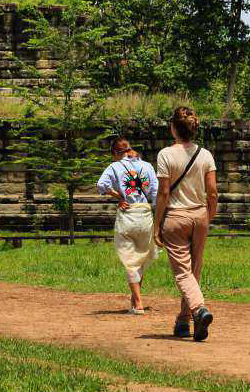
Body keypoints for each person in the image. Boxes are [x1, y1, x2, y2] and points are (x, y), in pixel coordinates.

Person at [152, 106, 216, 341]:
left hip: (176, 218)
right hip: (200, 216)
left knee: (182, 272)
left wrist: (156, 224)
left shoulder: (166, 155)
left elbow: (163, 193)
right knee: (193, 271)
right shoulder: (206, 155)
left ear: (173, 128)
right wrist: (209, 215)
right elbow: (212, 192)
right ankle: (183, 321)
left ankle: (199, 309)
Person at [96, 138, 160, 314]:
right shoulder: (147, 166)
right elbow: (156, 193)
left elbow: (101, 185)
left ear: (116, 153)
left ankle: (138, 303)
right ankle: (134, 300)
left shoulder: (114, 167)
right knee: (140, 257)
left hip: (127, 216)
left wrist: (119, 196)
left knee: (130, 260)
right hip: (145, 215)